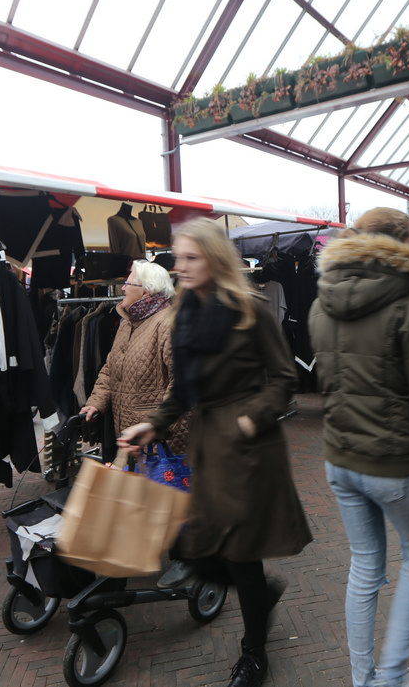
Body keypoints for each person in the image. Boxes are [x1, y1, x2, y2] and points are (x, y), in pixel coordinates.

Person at [118, 218, 312, 687]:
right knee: (192, 548)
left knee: (240, 554)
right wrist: (153, 424)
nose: (181, 266)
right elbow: (183, 390)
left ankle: (253, 655)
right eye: (179, 258)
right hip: (206, 445)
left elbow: (285, 379)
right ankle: (260, 593)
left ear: (215, 259)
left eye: (192, 258)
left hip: (247, 450)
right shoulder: (183, 313)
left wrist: (250, 417)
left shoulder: (250, 310)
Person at [308, 208, 409, 687]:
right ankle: (393, 676)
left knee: (365, 566)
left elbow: (327, 383)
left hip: (340, 458)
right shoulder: (408, 303)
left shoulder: (321, 302)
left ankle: (363, 679)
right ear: (405, 244)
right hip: (393, 463)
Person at [80, 259, 188, 453]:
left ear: (146, 291)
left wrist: (159, 426)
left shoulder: (168, 324)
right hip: (132, 439)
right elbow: (110, 369)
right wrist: (96, 403)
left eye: (128, 283)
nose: (123, 288)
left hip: (160, 444)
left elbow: (181, 384)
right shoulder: (127, 324)